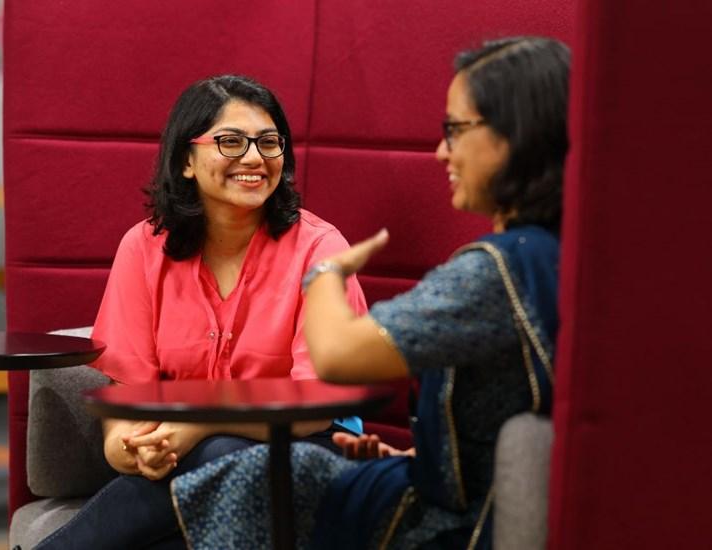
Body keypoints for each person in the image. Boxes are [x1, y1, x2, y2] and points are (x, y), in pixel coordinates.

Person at [171, 36, 569, 549]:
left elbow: (336, 356)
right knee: (275, 472)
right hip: (446, 484)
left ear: (517, 136)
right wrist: (417, 458)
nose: (441, 150)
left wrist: (324, 277)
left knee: (255, 477)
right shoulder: (558, 253)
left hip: (465, 522)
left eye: (455, 130)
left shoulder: (493, 272)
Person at [33, 75, 367, 549]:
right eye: (230, 142)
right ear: (186, 161)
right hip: (193, 458)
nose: (254, 158)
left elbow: (317, 403)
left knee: (225, 450)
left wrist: (202, 421)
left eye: (269, 143)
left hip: (312, 446)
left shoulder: (320, 250)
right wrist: (127, 447)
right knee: (208, 473)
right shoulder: (145, 248)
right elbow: (129, 390)